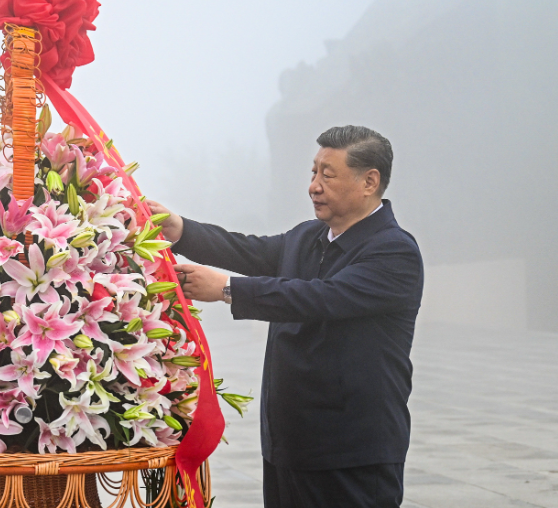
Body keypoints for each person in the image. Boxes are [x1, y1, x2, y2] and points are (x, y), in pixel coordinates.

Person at [148, 125, 423, 508]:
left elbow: (322, 298)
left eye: (328, 174)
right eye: (313, 172)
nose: (314, 185)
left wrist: (228, 289)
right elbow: (247, 251)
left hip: (353, 453)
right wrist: (181, 230)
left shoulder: (394, 253)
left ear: (369, 182)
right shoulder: (307, 237)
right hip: (289, 445)